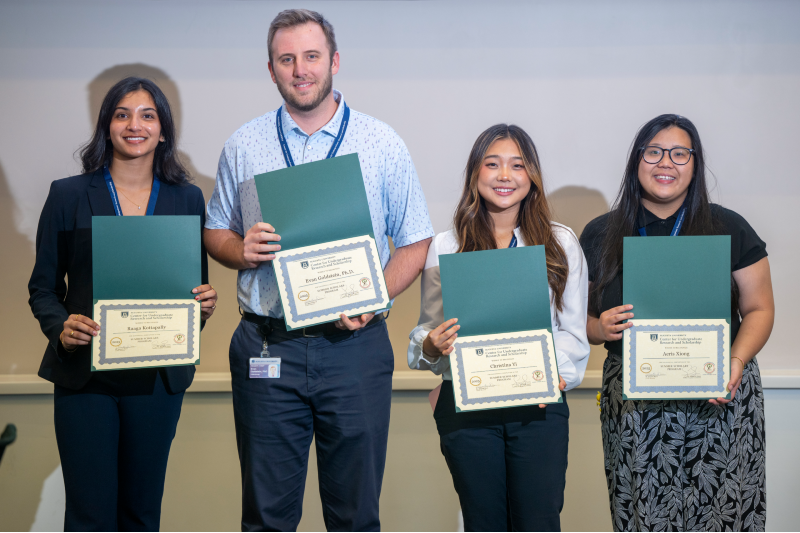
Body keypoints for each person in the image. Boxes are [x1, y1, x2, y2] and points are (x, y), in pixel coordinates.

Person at [203, 9, 433, 532]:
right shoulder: (244, 143)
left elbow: (415, 240)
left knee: (355, 517)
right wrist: (241, 250)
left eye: (310, 57)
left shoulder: (381, 142)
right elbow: (216, 229)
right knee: (264, 517)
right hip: (269, 347)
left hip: (354, 351)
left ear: (333, 62)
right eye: (287, 59)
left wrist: (376, 299)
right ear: (271, 69)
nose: (300, 69)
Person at [28, 77, 218, 532]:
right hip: (85, 380)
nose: (135, 125)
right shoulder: (68, 195)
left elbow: (194, 292)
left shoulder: (186, 198)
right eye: (122, 114)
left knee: (140, 514)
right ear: (106, 125)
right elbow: (43, 288)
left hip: (157, 379)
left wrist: (203, 307)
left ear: (164, 130)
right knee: (89, 517)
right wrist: (60, 328)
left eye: (148, 115)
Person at [580, 114, 774, 532]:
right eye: (653, 152)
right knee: (643, 517)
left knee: (726, 516)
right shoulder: (600, 234)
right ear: (637, 160)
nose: (665, 163)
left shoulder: (729, 227)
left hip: (722, 395)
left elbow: (759, 308)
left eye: (679, 153)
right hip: (635, 404)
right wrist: (600, 328)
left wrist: (736, 362)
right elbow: (579, 319)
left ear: (695, 163)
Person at [407, 124, 590, 532]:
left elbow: (572, 331)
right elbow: (428, 333)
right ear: (475, 174)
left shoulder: (560, 243)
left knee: (538, 523)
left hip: (539, 409)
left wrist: (552, 375)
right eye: (492, 164)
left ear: (532, 177)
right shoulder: (446, 245)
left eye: (517, 165)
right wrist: (433, 347)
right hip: (469, 413)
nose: (504, 175)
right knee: (483, 522)